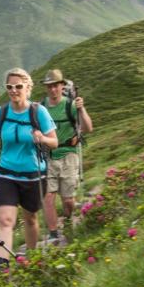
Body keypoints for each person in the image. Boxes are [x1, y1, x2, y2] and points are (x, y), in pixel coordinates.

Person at [0, 68, 58, 271]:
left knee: (30, 219)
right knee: (6, 220)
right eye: (9, 87)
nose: (13, 91)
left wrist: (42, 138)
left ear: (28, 88)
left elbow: (54, 142)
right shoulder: (0, 113)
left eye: (18, 87)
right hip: (6, 174)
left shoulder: (38, 112)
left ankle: (31, 261)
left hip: (33, 175)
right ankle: (1, 266)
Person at [39, 68, 93, 243]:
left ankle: (69, 219)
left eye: (56, 85)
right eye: (49, 86)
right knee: (48, 197)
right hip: (49, 157)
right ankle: (54, 235)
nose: (53, 89)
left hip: (69, 155)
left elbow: (87, 128)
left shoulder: (70, 105)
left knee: (68, 200)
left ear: (62, 86)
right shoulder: (42, 107)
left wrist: (81, 109)